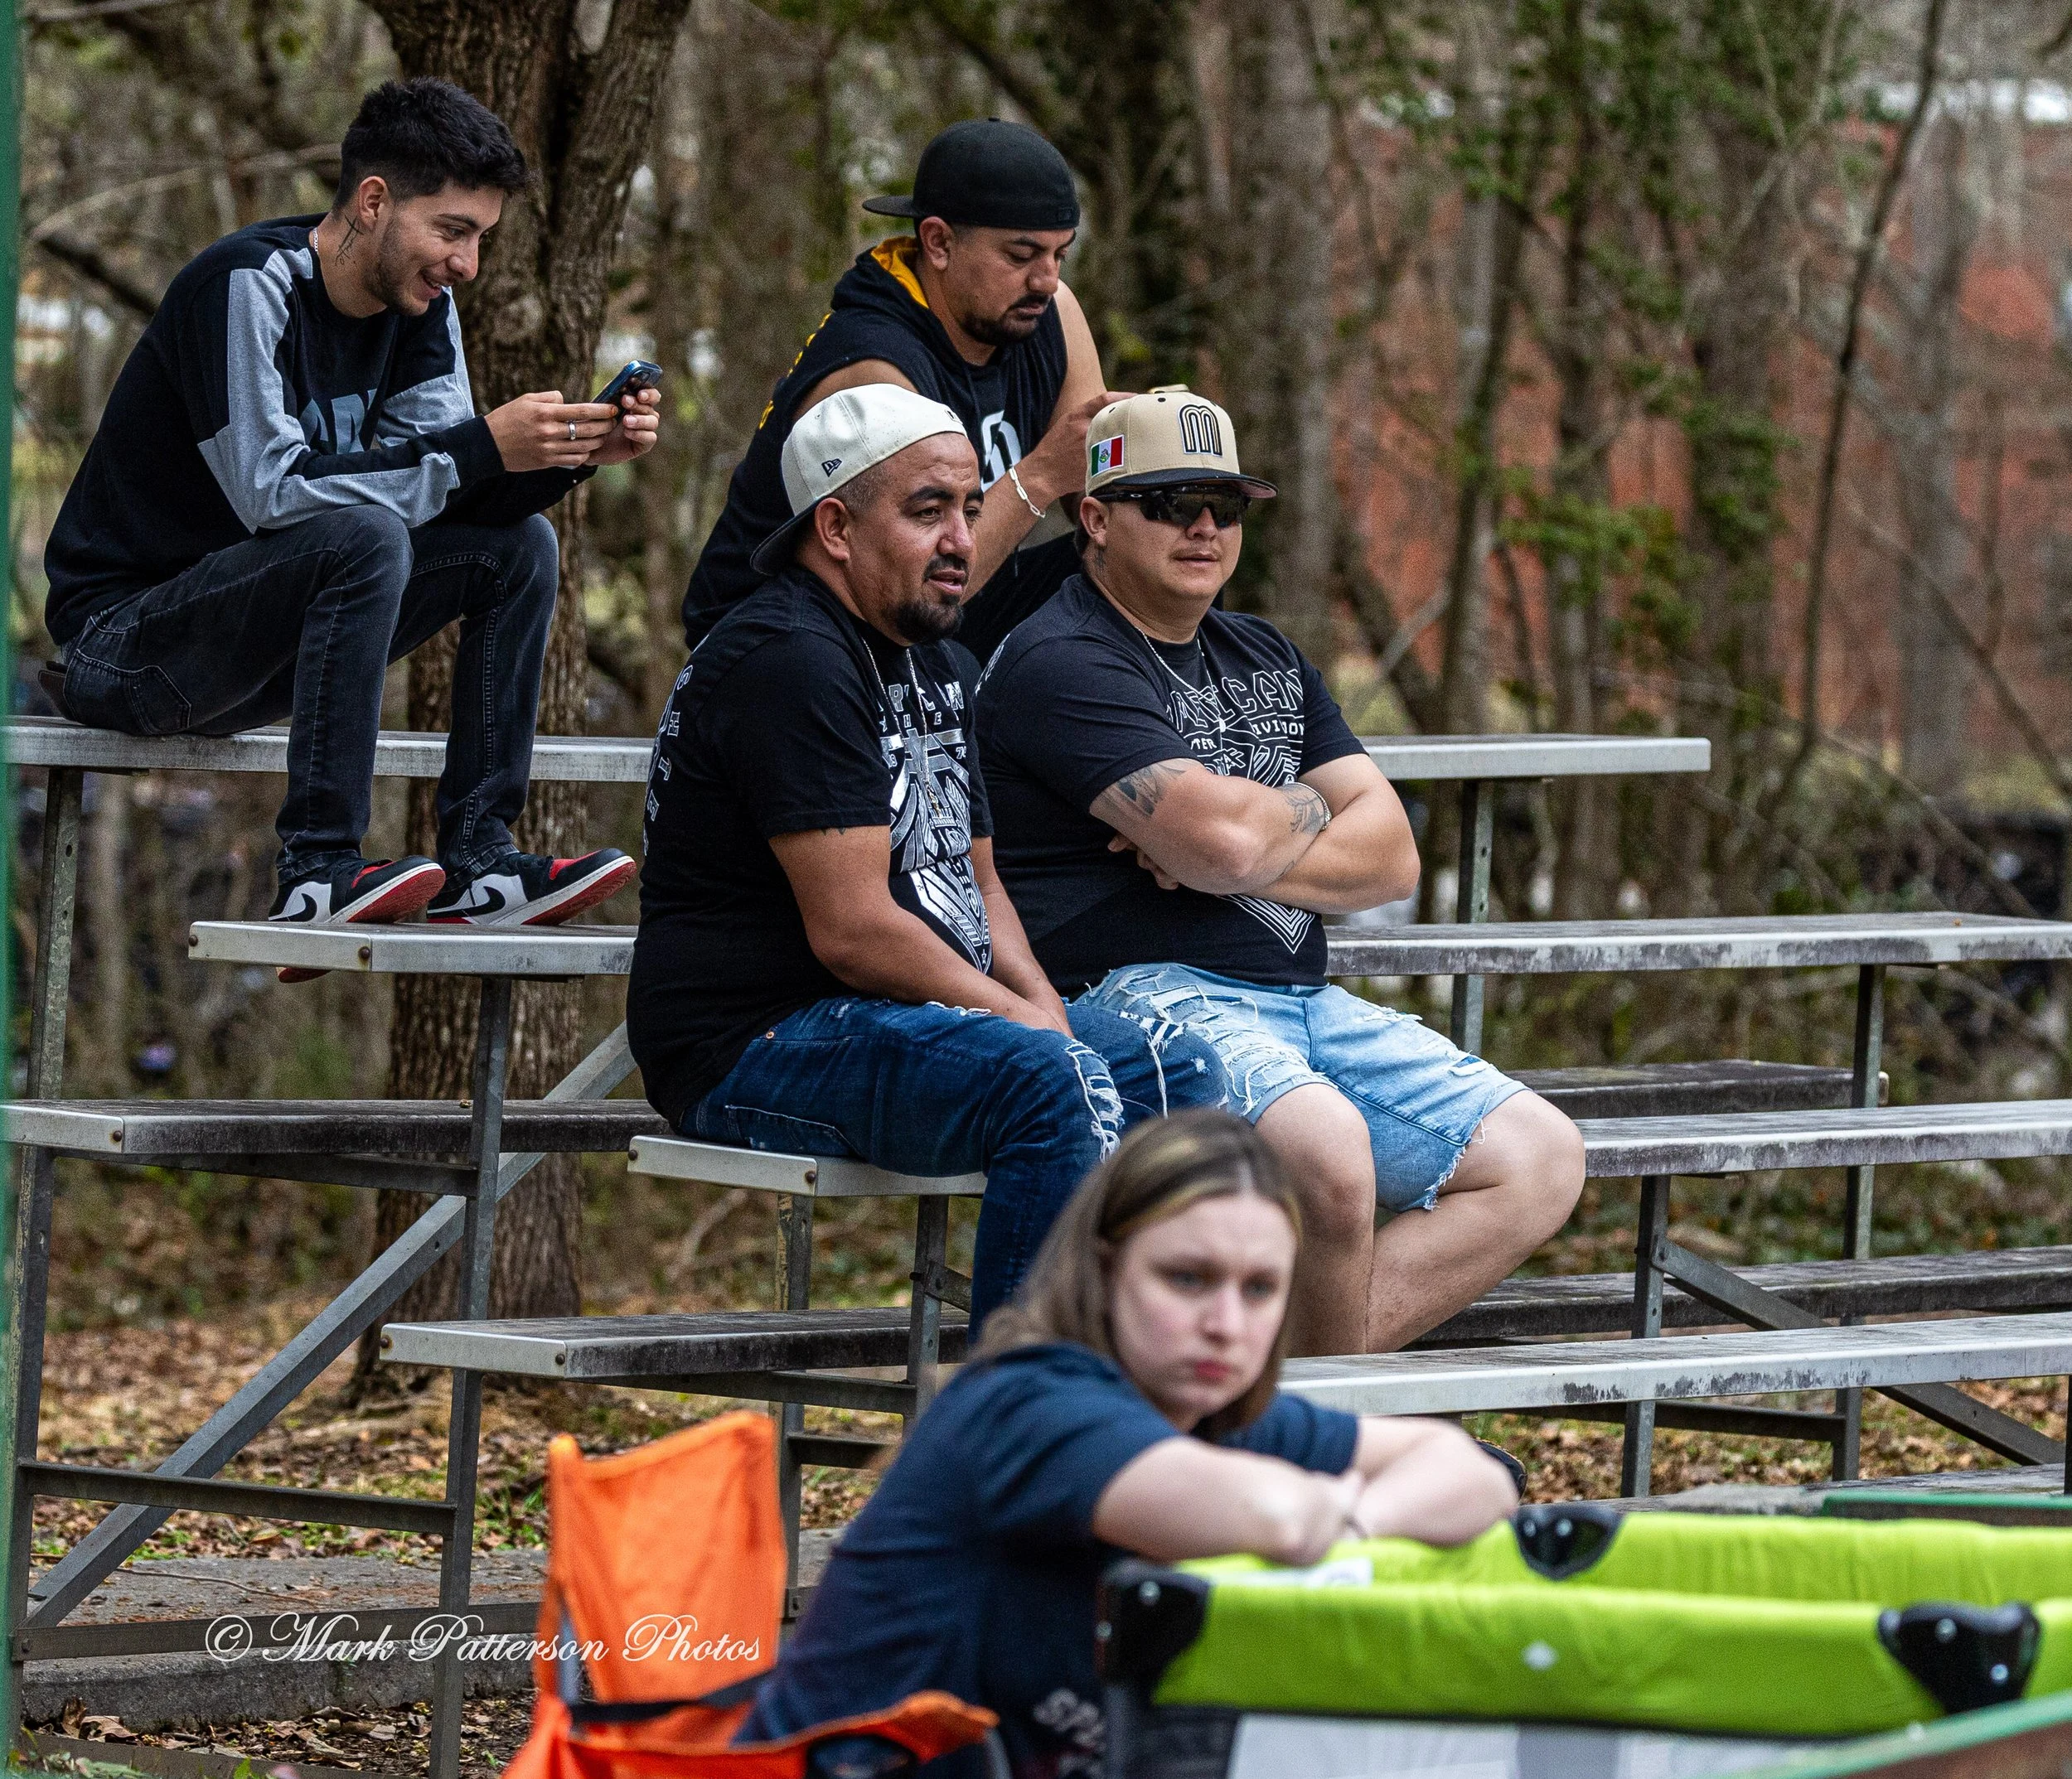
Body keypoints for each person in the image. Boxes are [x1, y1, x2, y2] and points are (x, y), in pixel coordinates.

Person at [975, 389, 1585, 1356]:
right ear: (1094, 516)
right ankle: (1305, 1446)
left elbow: (1389, 855)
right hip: (1135, 999)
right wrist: (1291, 812)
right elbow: (1226, 845)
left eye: (1227, 502)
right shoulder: (1061, 659)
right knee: (1327, 1151)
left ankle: (1270, 1400)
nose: (1205, 525)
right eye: (1170, 499)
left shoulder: (1265, 652)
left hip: (1301, 999)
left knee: (1538, 1157)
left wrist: (1240, 837)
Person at [628, 384, 1224, 1326]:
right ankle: (1022, 1434)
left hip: (899, 1013)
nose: (961, 538)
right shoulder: (787, 658)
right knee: (1050, 1082)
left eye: (970, 508)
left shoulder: (938, 660)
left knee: (1186, 1077)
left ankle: (1165, 1411)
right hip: (755, 1038)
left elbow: (978, 879)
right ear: (834, 525)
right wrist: (1035, 1034)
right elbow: (856, 932)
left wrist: (1039, 1007)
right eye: (927, 510)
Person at [41, 78, 650, 935]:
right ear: (373, 202)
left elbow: (442, 488)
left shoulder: (422, 313)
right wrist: (480, 444)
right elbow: (273, 493)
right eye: (452, 231)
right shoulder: (248, 285)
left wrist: (571, 455)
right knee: (360, 535)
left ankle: (478, 860)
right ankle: (317, 867)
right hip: (128, 645)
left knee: (520, 546)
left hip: (260, 646)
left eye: (479, 239)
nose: (466, 265)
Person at [738, 1111, 1519, 1779]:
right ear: (1107, 1270)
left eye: (1259, 1288)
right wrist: (1324, 1514)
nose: (1226, 1322)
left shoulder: (1211, 1414)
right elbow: (1276, 1519)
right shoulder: (1029, 1404)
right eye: (1188, 1278)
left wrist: (1353, 1523)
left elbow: (1477, 1476)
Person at [680, 116, 1123, 663]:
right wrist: (1043, 472)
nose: (1046, 280)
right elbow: (919, 580)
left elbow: (1100, 505)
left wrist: (1158, 477)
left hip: (934, 608)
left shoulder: (1050, 311)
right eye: (1020, 255)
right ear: (937, 242)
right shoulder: (874, 367)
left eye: (1061, 254)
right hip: (787, 645)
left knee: (1153, 563)